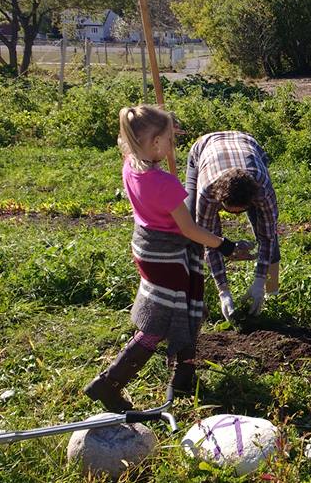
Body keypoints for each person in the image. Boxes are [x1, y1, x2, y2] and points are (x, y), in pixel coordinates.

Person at [85, 106, 250, 413]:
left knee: (184, 308)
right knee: (159, 322)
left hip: (147, 249)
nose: (174, 146)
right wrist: (226, 246)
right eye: (171, 140)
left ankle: (184, 376)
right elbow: (189, 229)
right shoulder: (165, 185)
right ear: (156, 143)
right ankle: (109, 383)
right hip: (167, 258)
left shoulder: (131, 165)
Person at [184, 131, 281, 326]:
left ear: (252, 200)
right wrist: (224, 291)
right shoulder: (208, 192)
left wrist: (259, 281)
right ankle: (192, 298)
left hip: (247, 144)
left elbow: (268, 236)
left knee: (268, 235)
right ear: (219, 201)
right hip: (204, 149)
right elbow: (209, 240)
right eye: (231, 211)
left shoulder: (263, 189)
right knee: (191, 228)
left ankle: (272, 295)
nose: (235, 216)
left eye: (241, 211)